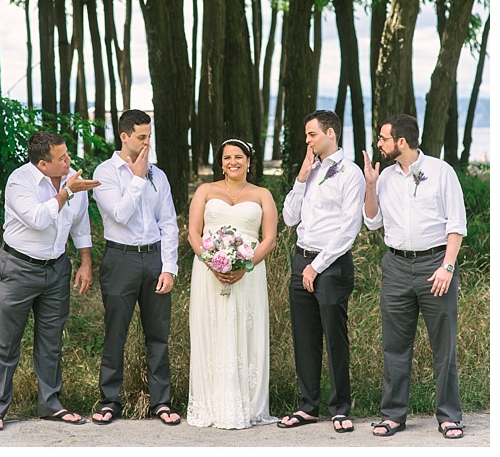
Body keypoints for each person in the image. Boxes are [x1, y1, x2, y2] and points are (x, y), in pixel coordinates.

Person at [0, 130, 97, 432]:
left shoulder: (72, 178)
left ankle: (51, 404)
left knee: (51, 341)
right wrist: (67, 192)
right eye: (62, 158)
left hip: (57, 269)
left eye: (67, 154)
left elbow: (80, 222)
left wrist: (85, 261)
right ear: (43, 164)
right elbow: (39, 219)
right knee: (5, 341)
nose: (69, 161)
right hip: (19, 268)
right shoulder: (20, 182)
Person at [363, 114, 467, 440]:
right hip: (395, 267)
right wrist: (369, 185)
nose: (379, 144)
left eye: (383, 138)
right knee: (395, 347)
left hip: (435, 264)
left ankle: (449, 416)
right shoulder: (384, 177)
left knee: (443, 346)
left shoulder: (441, 172)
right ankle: (393, 416)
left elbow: (456, 224)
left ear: (401, 142)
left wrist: (447, 267)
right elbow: (372, 221)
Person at [88, 109, 180, 426]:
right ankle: (109, 400)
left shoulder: (160, 175)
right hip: (120, 259)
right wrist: (138, 178)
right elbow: (119, 214)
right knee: (116, 333)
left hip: (154, 259)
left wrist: (169, 267)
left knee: (158, 335)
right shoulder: (105, 173)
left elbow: (169, 224)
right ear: (124, 137)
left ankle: (161, 403)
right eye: (141, 137)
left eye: (149, 136)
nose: (147, 143)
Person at [277, 109, 363, 433]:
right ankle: (307, 406)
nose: (307, 141)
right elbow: (289, 218)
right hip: (302, 260)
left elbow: (348, 229)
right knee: (305, 337)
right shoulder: (309, 172)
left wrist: (317, 266)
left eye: (312, 134)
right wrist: (301, 178)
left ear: (330, 133)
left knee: (334, 338)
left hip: (331, 265)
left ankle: (341, 408)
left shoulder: (350, 174)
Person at [185, 138, 278, 429]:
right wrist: (212, 262)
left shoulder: (263, 194)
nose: (232, 162)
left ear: (249, 161)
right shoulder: (205, 190)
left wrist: (245, 268)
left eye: (238, 156)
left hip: (249, 274)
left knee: (245, 329)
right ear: (221, 162)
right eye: (227, 158)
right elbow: (193, 233)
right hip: (208, 272)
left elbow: (269, 239)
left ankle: (247, 403)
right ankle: (211, 403)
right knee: (212, 328)